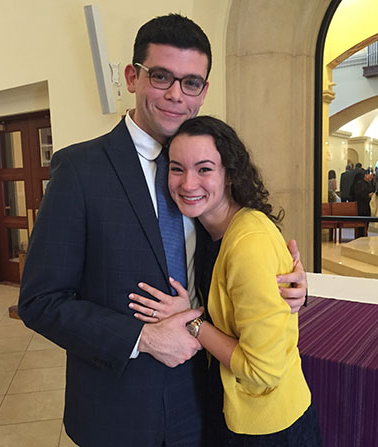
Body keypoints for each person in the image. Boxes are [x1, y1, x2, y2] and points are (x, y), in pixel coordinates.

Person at [18, 14, 307, 447]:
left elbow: (239, 258)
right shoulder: (80, 169)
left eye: (191, 82)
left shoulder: (201, 173)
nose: (176, 95)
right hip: (120, 407)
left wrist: (289, 286)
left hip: (204, 397)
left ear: (204, 91)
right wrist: (142, 337)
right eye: (161, 77)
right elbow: (40, 301)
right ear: (133, 76)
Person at [129, 116, 322, 447]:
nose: (188, 184)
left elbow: (264, 370)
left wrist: (191, 322)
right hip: (226, 407)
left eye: (204, 169)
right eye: (177, 169)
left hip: (268, 426)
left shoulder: (249, 243)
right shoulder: (206, 230)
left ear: (230, 173)